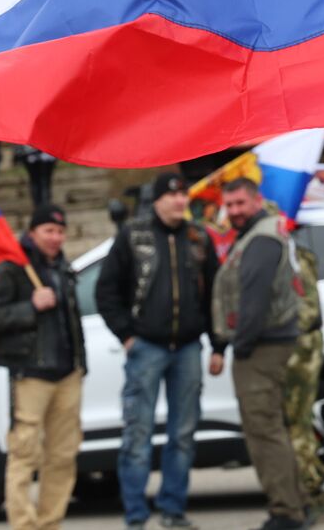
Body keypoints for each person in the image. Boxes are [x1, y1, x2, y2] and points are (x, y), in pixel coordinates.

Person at [96, 173, 223, 530]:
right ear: (156, 201)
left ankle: (173, 509)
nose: (180, 201)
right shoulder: (133, 237)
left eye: (183, 195)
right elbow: (106, 291)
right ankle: (136, 515)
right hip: (146, 347)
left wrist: (217, 344)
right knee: (138, 433)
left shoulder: (198, 238)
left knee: (183, 434)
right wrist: (126, 335)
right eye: (173, 196)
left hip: (187, 349)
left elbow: (214, 294)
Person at [0, 205, 86, 530]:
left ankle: (51, 523)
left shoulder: (63, 267)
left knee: (63, 455)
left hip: (67, 373)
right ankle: (24, 525)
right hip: (30, 374)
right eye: (49, 232)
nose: (56, 238)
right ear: (33, 232)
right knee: (25, 454)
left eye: (60, 232)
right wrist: (30, 307)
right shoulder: (11, 268)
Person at [211, 178, 306, 530]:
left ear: (257, 201)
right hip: (266, 343)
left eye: (240, 203)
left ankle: (286, 513)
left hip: (263, 346)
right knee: (272, 429)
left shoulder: (261, 239)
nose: (234, 211)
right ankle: (296, 504)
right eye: (229, 205)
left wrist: (242, 344)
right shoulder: (256, 234)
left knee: (264, 432)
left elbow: (254, 299)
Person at [284, 244, 324, 524]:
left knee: (296, 422)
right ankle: (312, 490)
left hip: (298, 345)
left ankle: (310, 494)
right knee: (302, 420)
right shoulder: (299, 253)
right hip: (309, 342)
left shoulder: (288, 257)